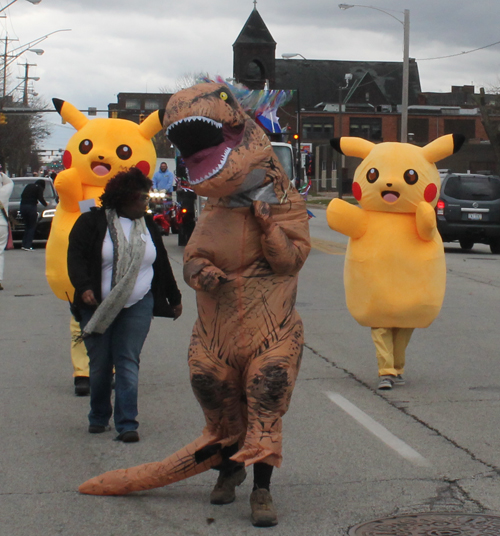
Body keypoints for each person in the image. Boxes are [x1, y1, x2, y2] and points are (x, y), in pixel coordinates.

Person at [67, 167, 182, 442]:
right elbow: (76, 256)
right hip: (97, 306)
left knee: (127, 360)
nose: (146, 203)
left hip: (138, 304)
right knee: (100, 365)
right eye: (141, 198)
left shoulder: (148, 225)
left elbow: (161, 263)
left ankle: (127, 424)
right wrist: (83, 288)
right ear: (123, 198)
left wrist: (174, 297)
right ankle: (98, 416)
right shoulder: (91, 222)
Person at [20, 179, 47, 251]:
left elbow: (22, 195)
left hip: (23, 207)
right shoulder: (39, 188)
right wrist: (46, 205)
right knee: (32, 226)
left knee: (27, 226)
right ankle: (28, 245)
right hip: (31, 207)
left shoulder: (28, 186)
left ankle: (24, 244)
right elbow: (40, 198)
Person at [0, 172, 13, 290]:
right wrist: (1, 174)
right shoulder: (4, 192)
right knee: (0, 253)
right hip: (2, 224)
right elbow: (10, 182)